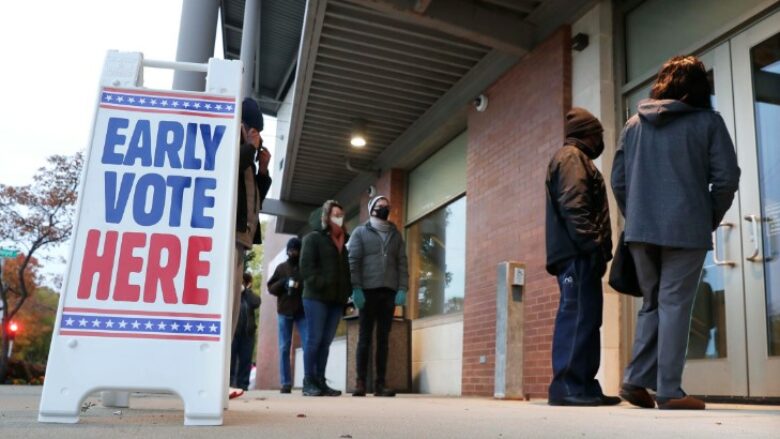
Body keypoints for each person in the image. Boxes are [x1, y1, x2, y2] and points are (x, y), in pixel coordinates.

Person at [612, 55, 740, 410]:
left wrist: (636, 216)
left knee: (651, 304)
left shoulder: (633, 124)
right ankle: (668, 390)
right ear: (698, 88)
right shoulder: (708, 123)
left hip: (640, 229)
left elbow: (618, 181)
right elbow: (727, 178)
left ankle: (635, 381)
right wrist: (708, 217)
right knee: (674, 306)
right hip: (686, 227)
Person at [545, 107, 620, 407]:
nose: (601, 139)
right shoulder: (572, 158)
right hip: (577, 254)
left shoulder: (576, 159)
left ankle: (584, 385)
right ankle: (566, 386)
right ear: (588, 133)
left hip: (581, 254)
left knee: (588, 318)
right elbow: (574, 206)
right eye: (599, 134)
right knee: (576, 316)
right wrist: (593, 246)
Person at [230, 97, 272, 399]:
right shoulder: (232, 143)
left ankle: (225, 380)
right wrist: (250, 148)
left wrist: (264, 169)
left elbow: (255, 195)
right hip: (230, 236)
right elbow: (228, 170)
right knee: (228, 309)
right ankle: (222, 376)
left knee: (232, 309)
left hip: (243, 237)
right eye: (253, 128)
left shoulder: (248, 153)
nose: (255, 134)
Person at [347, 195, 408, 397]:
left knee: (383, 339)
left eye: (387, 206)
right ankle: (360, 382)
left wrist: (402, 288)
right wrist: (355, 288)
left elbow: (402, 263)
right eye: (380, 206)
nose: (384, 209)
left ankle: (381, 383)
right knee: (364, 337)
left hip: (389, 292)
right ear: (372, 208)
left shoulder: (395, 235)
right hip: (367, 291)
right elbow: (353, 261)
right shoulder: (360, 233)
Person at [300, 200, 352, 396]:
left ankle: (320, 381)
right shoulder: (313, 239)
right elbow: (306, 268)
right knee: (314, 339)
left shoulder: (343, 246)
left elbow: (346, 272)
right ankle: (308, 381)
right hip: (315, 297)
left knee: (326, 342)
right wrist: (321, 284)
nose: (338, 218)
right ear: (326, 216)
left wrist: (347, 292)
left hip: (336, 300)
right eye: (334, 214)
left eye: (341, 214)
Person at [267, 237, 307, 394]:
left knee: (307, 345)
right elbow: (270, 287)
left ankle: (308, 380)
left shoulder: (304, 268)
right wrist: (283, 283)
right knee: (284, 347)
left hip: (302, 311)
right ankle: (285, 383)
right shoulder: (281, 268)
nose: (293, 253)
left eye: (296, 250)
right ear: (287, 251)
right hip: (284, 311)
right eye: (291, 250)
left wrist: (300, 284)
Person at [230, 272, 261, 390]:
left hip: (248, 334)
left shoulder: (250, 296)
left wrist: (246, 291)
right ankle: (229, 384)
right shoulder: (232, 294)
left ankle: (243, 386)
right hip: (234, 334)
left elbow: (257, 302)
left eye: (243, 282)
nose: (241, 284)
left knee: (245, 360)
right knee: (231, 360)